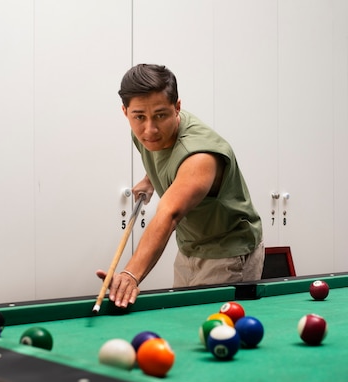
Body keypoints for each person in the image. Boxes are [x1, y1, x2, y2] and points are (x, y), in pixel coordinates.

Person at [98, 64, 264, 308]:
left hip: (228, 253)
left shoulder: (200, 156)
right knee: (184, 322)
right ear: (126, 112)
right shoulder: (145, 130)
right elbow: (164, 155)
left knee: (214, 333)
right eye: (139, 117)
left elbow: (169, 214)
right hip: (189, 246)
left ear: (177, 108)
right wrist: (150, 179)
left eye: (161, 115)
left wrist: (130, 274)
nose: (150, 129)